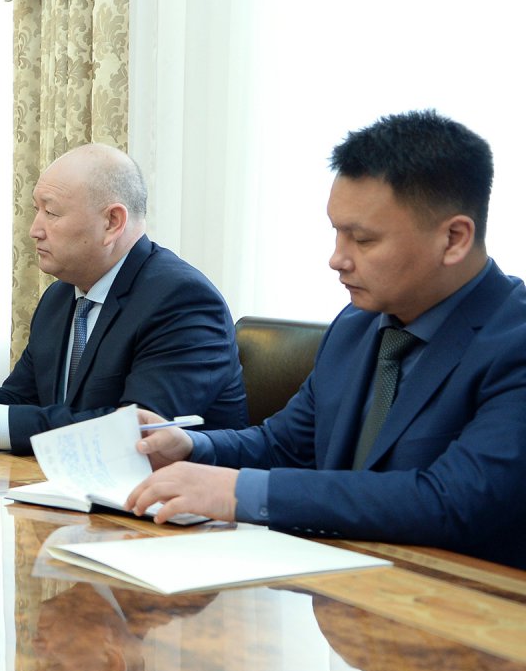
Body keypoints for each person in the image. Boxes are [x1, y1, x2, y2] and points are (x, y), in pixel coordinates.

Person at [128, 110, 526, 570]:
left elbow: (451, 500)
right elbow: (285, 445)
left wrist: (238, 492)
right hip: (339, 587)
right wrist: (191, 447)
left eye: (363, 240)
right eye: (336, 232)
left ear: (454, 238)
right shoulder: (356, 326)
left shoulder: (513, 342)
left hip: (458, 599)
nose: (337, 259)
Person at [0, 143, 247, 454]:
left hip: (169, 500)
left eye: (51, 213)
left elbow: (138, 432)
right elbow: (25, 397)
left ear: (112, 222)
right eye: (36, 210)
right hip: (68, 490)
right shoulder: (60, 296)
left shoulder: (182, 300)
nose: (34, 229)